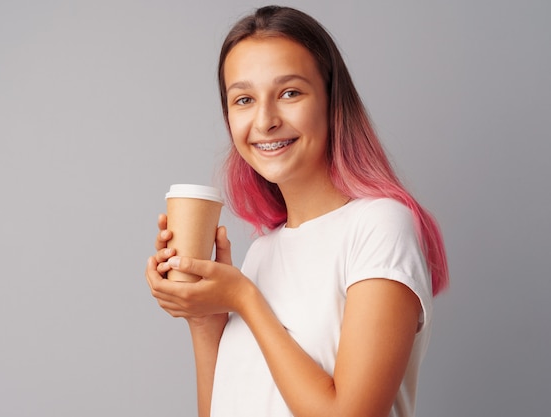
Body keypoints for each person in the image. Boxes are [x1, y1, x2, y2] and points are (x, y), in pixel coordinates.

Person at [145, 5, 448, 417]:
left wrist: (245, 298)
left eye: (290, 92)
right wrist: (205, 319)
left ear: (331, 100)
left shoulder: (380, 225)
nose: (265, 120)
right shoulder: (263, 252)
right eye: (244, 99)